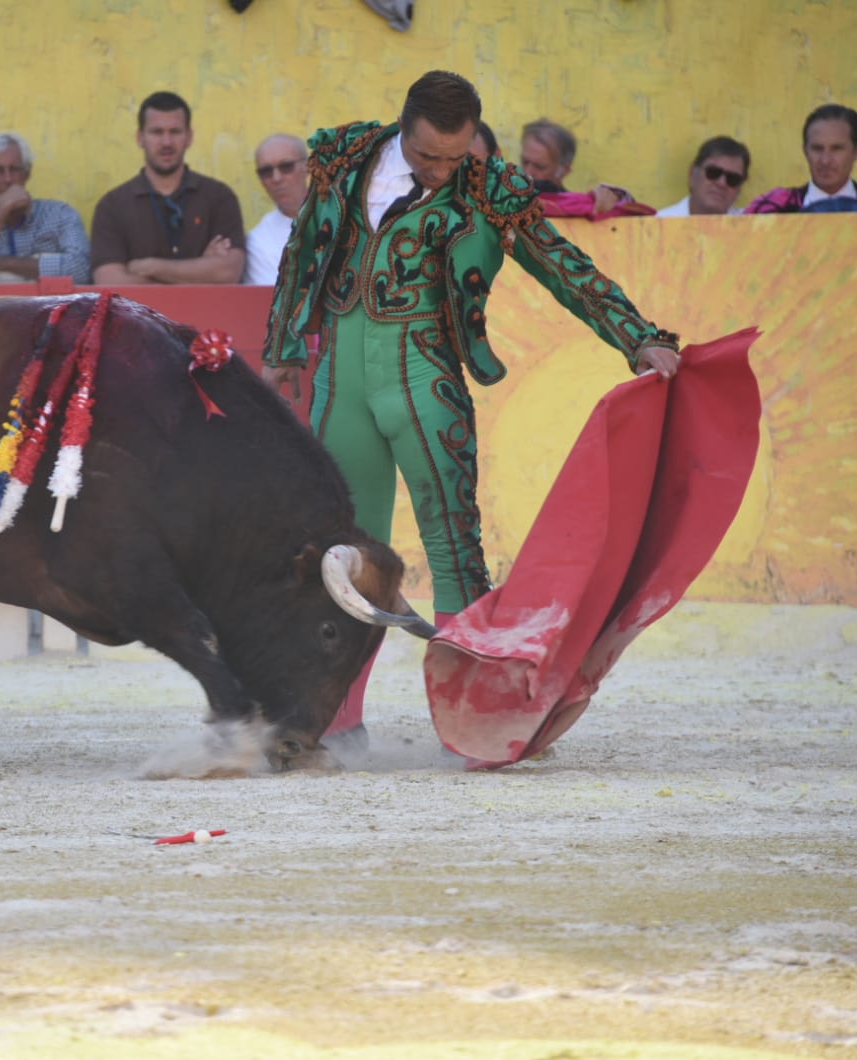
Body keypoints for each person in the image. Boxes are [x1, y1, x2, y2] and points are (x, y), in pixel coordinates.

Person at [262, 70, 680, 745]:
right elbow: (304, 249)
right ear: (403, 131)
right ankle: (333, 724)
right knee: (338, 555)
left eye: (455, 159)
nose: (440, 172)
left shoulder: (489, 189)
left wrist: (637, 337)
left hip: (425, 380)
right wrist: (283, 344)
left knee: (453, 550)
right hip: (339, 378)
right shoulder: (345, 157)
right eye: (427, 156)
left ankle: (470, 726)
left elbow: (560, 266)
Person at [90, 91, 245, 285]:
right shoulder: (112, 206)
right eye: (156, 132)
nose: (166, 142)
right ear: (140, 137)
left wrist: (151, 267)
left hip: (208, 315)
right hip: (139, 317)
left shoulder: (219, 197)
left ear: (189, 137)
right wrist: (201, 269)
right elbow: (110, 282)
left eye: (175, 132)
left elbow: (228, 272)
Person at [0, 132, 91, 283]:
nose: (8, 179)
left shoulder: (60, 214)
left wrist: (0, 263)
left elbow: (81, 271)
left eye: (15, 169)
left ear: (27, 173)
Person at [744, 104, 857, 214]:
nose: (825, 160)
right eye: (817, 149)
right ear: (805, 151)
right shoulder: (771, 209)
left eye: (837, 149)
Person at [520, 118, 641, 218]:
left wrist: (616, 197)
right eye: (525, 162)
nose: (528, 172)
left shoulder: (579, 209)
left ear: (564, 170)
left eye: (540, 167)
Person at [243, 133, 308, 285]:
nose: (276, 178)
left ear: (309, 166)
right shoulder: (258, 241)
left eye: (286, 167)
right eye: (266, 171)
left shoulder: (346, 216)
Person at [654, 136, 752, 217]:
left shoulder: (753, 229)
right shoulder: (656, 226)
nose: (721, 183)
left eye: (732, 179)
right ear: (692, 174)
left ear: (739, 189)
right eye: (713, 172)